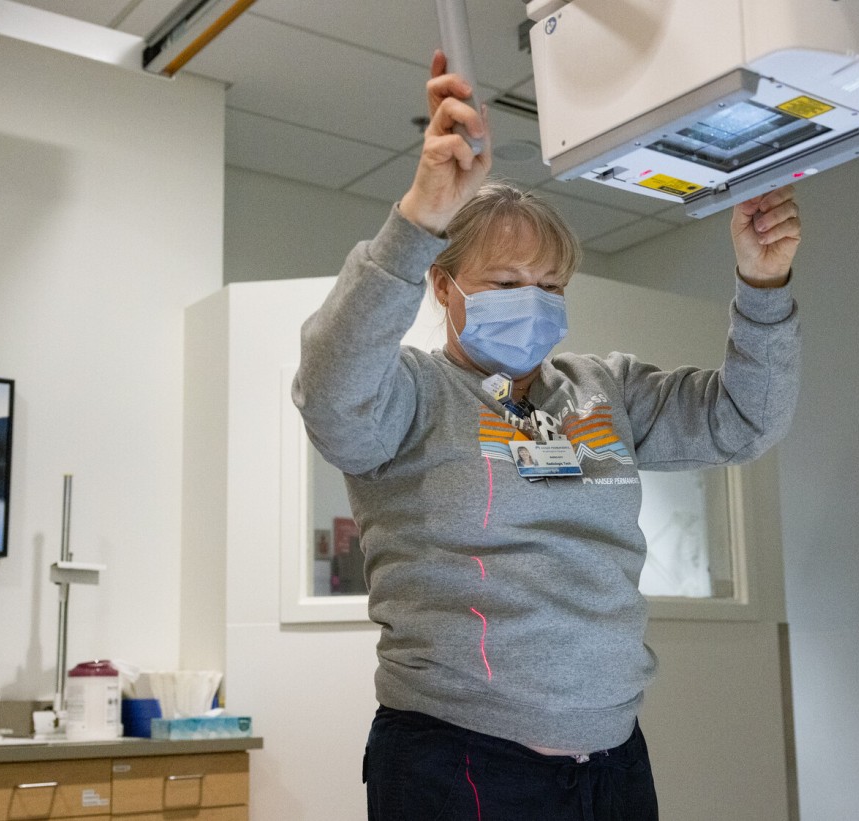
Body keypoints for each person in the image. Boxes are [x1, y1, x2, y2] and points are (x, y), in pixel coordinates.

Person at [293, 50, 801, 821]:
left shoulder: (605, 389)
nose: (532, 302)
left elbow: (745, 419)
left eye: (551, 286)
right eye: (505, 284)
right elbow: (329, 390)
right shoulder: (413, 393)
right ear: (443, 284)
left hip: (613, 760)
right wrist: (417, 220)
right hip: (457, 757)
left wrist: (763, 286)